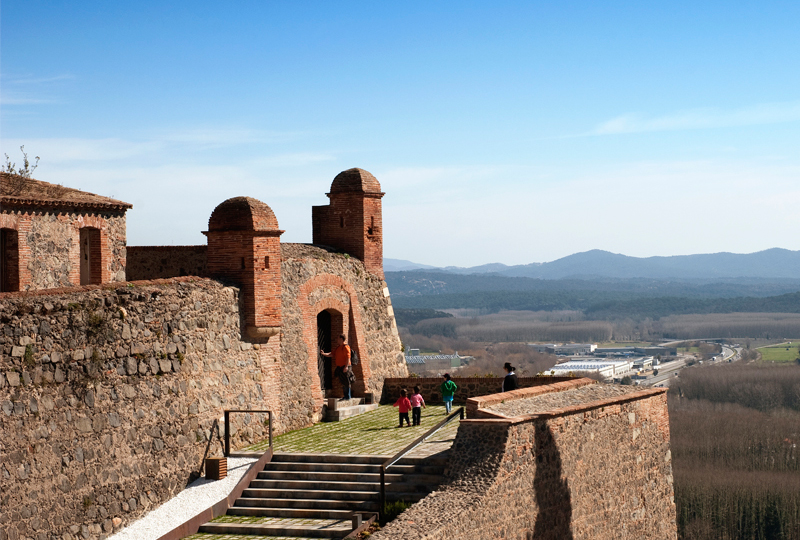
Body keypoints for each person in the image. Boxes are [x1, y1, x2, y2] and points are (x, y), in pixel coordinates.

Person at [321, 333, 352, 400]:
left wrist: (346, 367)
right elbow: (332, 354)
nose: (337, 340)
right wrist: (324, 354)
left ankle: (347, 397)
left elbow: (348, 358)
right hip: (340, 367)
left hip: (345, 367)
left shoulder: (345, 347)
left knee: (346, 382)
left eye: (338, 338)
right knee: (343, 382)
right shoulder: (338, 348)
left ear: (341, 339)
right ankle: (345, 396)